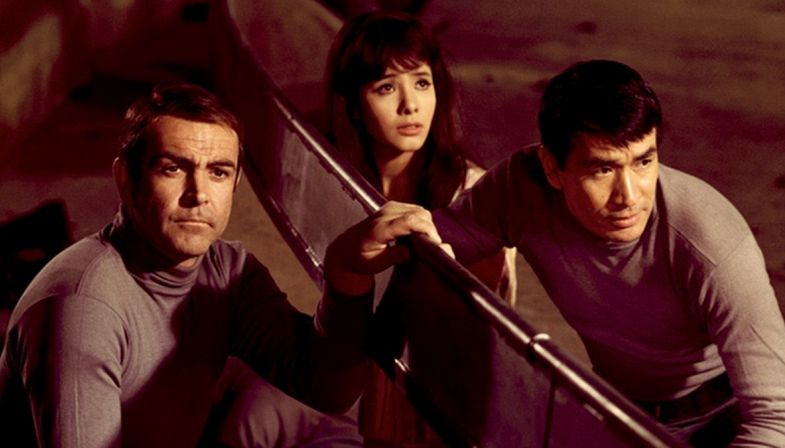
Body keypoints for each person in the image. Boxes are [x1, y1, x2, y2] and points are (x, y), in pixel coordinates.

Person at [0, 83, 446, 447]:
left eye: (217, 172)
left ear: (234, 183)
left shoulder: (226, 271)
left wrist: (347, 274)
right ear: (126, 179)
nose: (198, 194)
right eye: (173, 168)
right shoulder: (83, 308)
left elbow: (326, 388)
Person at [434, 59, 785, 446]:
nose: (629, 196)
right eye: (603, 170)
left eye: (644, 162)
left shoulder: (710, 242)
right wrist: (404, 226)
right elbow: (436, 240)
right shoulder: (522, 188)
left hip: (725, 420)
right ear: (552, 168)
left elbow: (776, 416)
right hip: (616, 410)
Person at [324, 11, 516, 446]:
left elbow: (481, 334)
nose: (410, 105)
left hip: (449, 397)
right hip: (360, 387)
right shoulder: (341, 186)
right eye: (386, 87)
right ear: (353, 102)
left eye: (422, 83)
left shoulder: (472, 194)